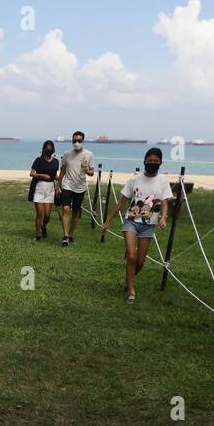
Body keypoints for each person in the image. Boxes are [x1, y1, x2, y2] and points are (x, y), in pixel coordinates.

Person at [101, 147, 172, 303]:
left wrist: (163, 218)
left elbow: (165, 202)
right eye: (150, 160)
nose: (152, 163)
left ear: (160, 162)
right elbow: (122, 202)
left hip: (148, 226)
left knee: (140, 261)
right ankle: (131, 291)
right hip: (131, 222)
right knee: (131, 256)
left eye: (155, 161)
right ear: (144, 161)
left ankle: (129, 279)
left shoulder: (163, 181)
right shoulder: (134, 180)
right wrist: (107, 220)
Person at [57, 130, 94, 246]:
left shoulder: (89, 154)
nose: (76, 142)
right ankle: (65, 235)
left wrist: (87, 170)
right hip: (68, 185)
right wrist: (58, 185)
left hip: (80, 187)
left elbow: (92, 172)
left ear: (83, 141)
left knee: (76, 212)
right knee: (66, 208)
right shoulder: (67, 154)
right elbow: (62, 170)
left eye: (79, 140)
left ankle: (71, 235)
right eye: (74, 140)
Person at [27, 140, 59, 240]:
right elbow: (32, 173)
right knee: (39, 213)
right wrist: (41, 175)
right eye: (47, 147)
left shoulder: (56, 161)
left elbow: (55, 176)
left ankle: (43, 226)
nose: (49, 149)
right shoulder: (38, 160)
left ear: (53, 149)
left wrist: (61, 181)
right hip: (39, 188)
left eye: (50, 148)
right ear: (44, 149)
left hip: (50, 189)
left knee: (47, 215)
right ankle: (38, 234)